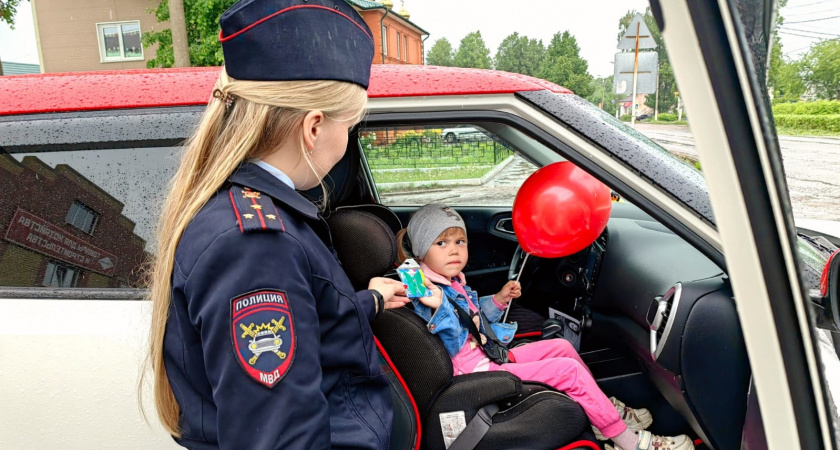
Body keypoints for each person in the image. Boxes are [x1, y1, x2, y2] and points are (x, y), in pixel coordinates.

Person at [141, 1, 408, 448]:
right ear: (314, 128)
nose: (347, 141)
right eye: (351, 126)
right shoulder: (255, 244)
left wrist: (370, 301)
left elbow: (313, 325)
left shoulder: (254, 219)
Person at [397, 203, 695, 450]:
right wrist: (439, 307)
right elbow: (451, 338)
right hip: (476, 373)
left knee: (562, 346)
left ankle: (604, 411)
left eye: (459, 242)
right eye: (442, 243)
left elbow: (473, 319)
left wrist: (499, 301)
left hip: (490, 354)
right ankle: (630, 442)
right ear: (422, 252)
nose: (454, 251)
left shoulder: (448, 282)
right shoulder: (426, 292)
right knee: (569, 371)